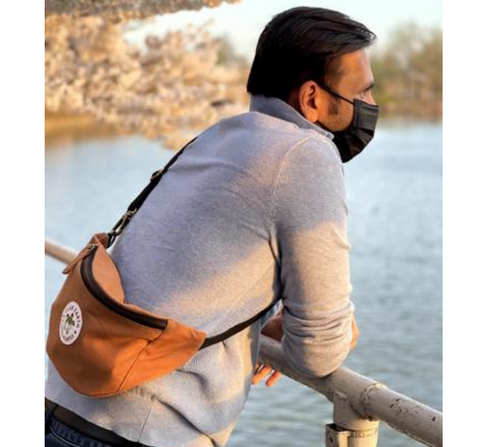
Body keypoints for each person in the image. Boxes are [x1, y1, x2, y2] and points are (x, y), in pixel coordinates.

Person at [45, 6, 378, 447]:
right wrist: (335, 325)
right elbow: (320, 351)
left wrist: (268, 323)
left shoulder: (217, 136)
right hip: (139, 432)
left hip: (59, 402)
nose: (371, 105)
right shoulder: (308, 155)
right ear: (312, 98)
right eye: (363, 92)